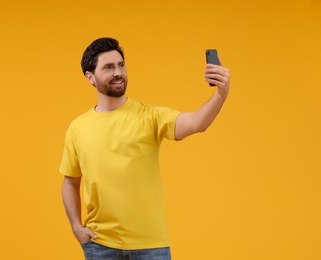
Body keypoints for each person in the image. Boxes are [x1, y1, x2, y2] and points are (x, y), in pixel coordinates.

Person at [59, 37, 230, 260]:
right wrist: (76, 227)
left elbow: (198, 123)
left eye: (121, 65)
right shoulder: (78, 128)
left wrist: (221, 94)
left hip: (151, 247)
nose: (118, 72)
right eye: (108, 67)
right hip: (100, 245)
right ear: (90, 77)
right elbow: (70, 182)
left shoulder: (150, 116)